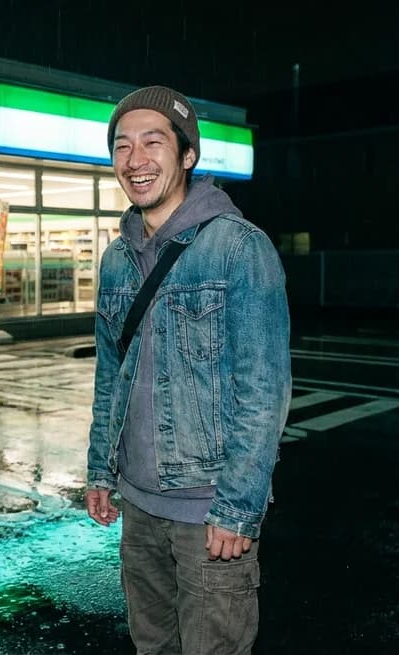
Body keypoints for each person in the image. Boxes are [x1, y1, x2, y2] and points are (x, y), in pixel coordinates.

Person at [85, 85, 292, 654]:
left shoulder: (238, 248)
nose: (135, 160)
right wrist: (101, 470)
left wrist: (237, 508)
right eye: (122, 146)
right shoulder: (117, 258)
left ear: (188, 156)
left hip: (209, 514)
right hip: (139, 508)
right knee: (152, 648)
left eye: (153, 142)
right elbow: (111, 373)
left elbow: (264, 391)